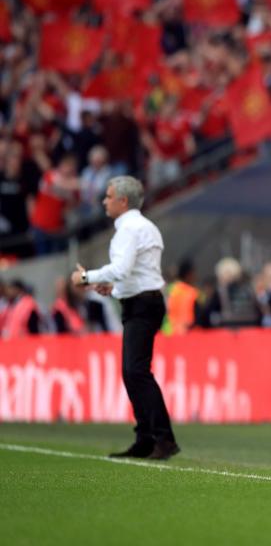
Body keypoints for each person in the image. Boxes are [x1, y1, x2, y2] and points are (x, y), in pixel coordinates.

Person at [71, 176, 179, 460]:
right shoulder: (145, 227)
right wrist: (115, 288)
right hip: (145, 300)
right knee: (133, 372)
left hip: (142, 304)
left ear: (123, 201)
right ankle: (146, 438)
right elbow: (140, 273)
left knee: (136, 372)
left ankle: (162, 438)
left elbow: (121, 268)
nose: (104, 201)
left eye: (108, 196)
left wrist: (85, 277)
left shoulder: (129, 229)